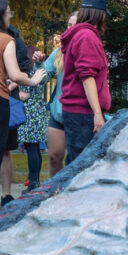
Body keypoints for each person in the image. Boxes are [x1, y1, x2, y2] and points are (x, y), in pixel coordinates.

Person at [0, 0, 46, 213]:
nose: (10, 16)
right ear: (0, 15)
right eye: (8, 13)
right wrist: (33, 80)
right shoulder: (6, 39)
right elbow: (16, 73)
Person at [59, 0, 114, 163]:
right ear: (100, 15)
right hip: (83, 113)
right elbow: (87, 77)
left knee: (78, 162)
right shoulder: (86, 36)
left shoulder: (83, 35)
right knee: (81, 167)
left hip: (80, 112)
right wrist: (97, 114)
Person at [43, 12, 77, 177]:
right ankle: (53, 192)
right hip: (58, 113)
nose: (70, 29)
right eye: (68, 25)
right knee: (54, 157)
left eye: (74, 25)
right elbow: (43, 75)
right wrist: (37, 65)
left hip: (79, 115)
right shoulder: (58, 52)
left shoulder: (88, 50)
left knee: (76, 160)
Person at [17, 47, 50, 191]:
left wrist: (14, 88)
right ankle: (35, 181)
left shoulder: (25, 74)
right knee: (36, 148)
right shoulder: (37, 71)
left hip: (29, 114)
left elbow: (24, 95)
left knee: (31, 149)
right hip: (39, 113)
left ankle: (33, 183)